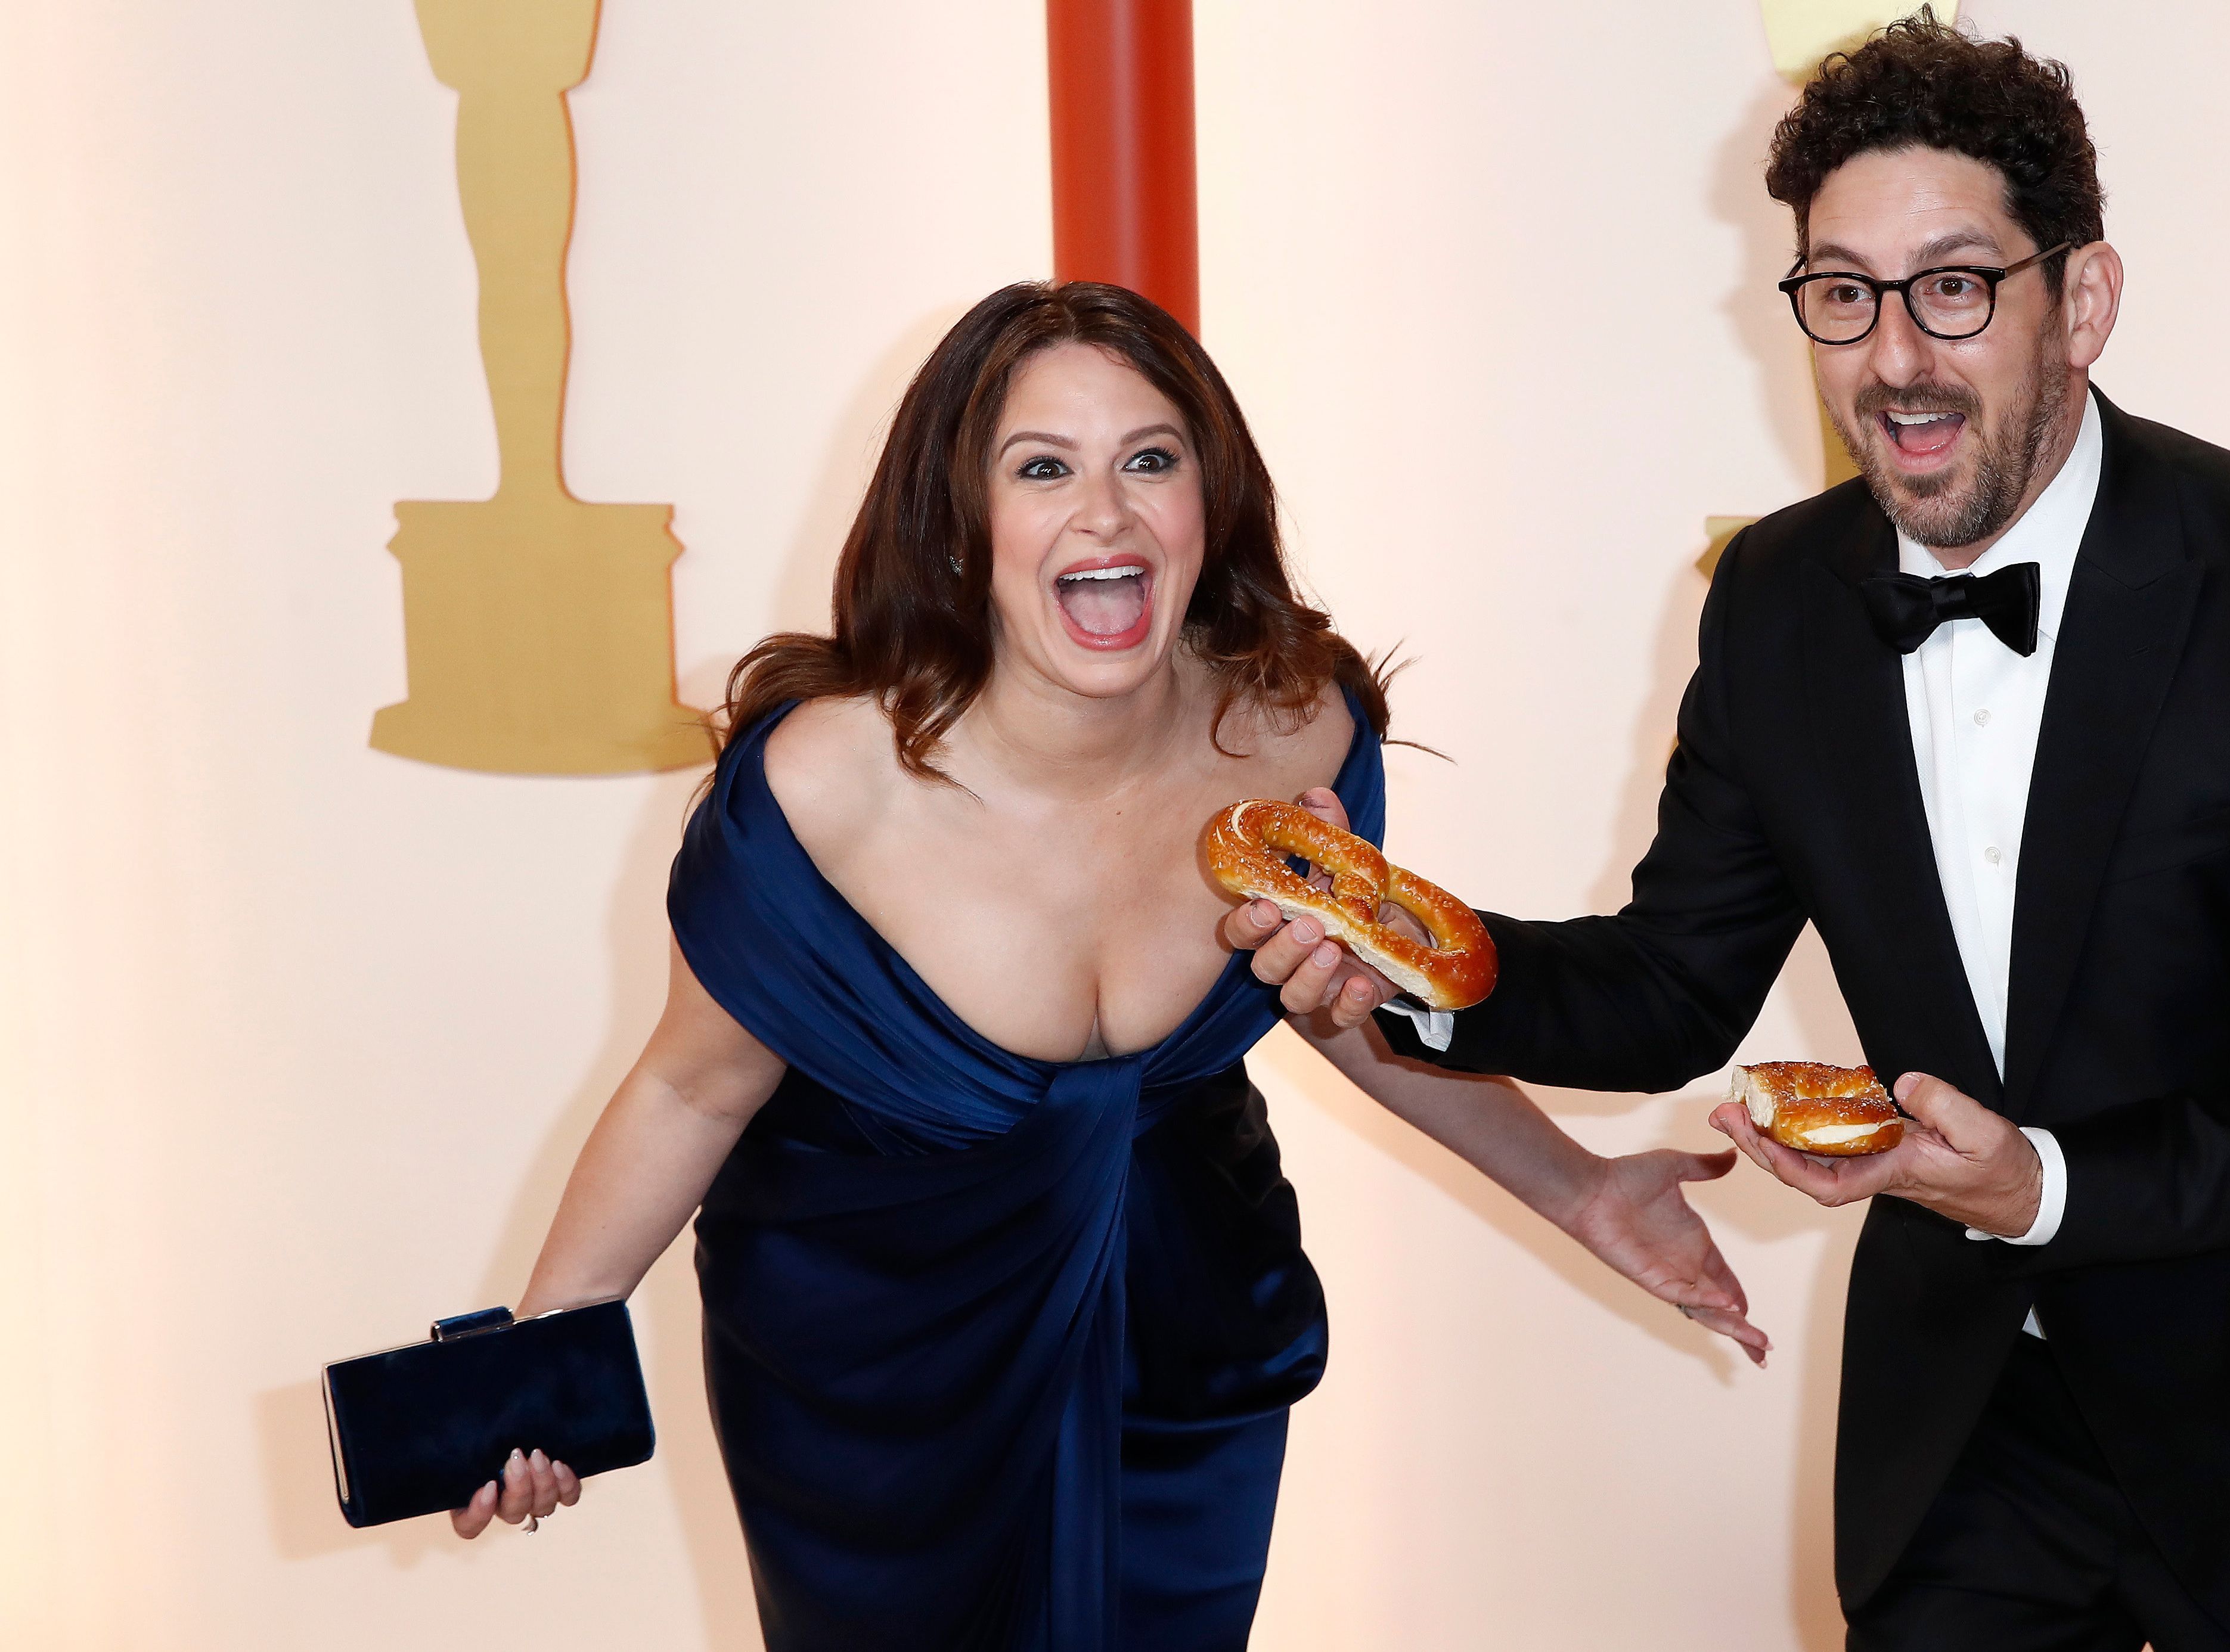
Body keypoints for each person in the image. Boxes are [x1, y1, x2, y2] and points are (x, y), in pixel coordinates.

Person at [1236, 18, 2230, 1651]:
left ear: (2080, 300)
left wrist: (2038, 1182)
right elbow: (1673, 977)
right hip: (1982, 1430)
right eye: (1842, 294)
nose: (1893, 357)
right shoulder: (1780, 603)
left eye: (1954, 286)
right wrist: (1402, 956)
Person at [448, 280, 1767, 1650]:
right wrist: (548, 1354)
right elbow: (692, 1091)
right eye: (1042, 469)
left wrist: (1586, 1190)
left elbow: (1336, 1003)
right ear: (963, 529)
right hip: (876, 1376)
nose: (1106, 513)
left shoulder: (1297, 736)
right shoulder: (823, 787)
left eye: (1151, 459)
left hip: (1184, 1322)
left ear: (1212, 504)